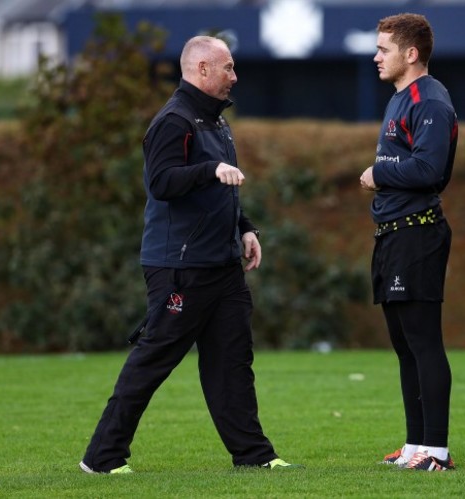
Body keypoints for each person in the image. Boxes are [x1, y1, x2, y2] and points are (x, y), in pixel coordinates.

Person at [79, 36, 300, 474]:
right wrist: (208, 170)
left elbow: (223, 190)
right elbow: (161, 182)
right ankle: (101, 458)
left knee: (233, 363)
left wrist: (245, 228)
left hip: (221, 267)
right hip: (179, 267)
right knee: (152, 361)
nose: (234, 76)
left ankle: (254, 456)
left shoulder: (216, 122)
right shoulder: (173, 121)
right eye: (228, 68)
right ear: (201, 69)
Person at [360, 13, 458, 472]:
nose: (376, 56)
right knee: (404, 344)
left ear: (411, 53)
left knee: (423, 341)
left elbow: (430, 170)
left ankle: (436, 451)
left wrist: (378, 173)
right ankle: (416, 444)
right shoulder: (399, 99)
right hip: (393, 234)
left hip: (418, 233)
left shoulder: (430, 100)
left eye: (383, 49)